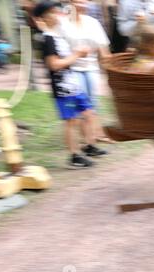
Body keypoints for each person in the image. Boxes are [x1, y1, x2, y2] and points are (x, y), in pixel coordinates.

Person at [34, 0, 107, 168]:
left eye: (57, 11)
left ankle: (89, 146)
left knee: (88, 113)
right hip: (62, 87)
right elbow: (54, 65)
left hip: (72, 83)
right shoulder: (47, 39)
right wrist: (76, 55)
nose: (58, 15)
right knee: (71, 121)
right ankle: (74, 156)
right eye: (53, 12)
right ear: (44, 18)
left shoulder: (59, 35)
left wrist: (77, 54)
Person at [59, 0, 115, 143]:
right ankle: (88, 137)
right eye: (78, 1)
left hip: (91, 67)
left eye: (85, 1)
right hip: (73, 67)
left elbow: (103, 46)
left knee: (93, 101)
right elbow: (59, 46)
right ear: (70, 2)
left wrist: (110, 66)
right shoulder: (62, 22)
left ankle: (96, 134)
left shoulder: (92, 22)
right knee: (81, 103)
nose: (83, 3)